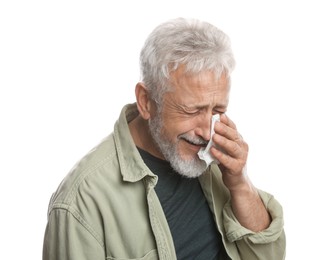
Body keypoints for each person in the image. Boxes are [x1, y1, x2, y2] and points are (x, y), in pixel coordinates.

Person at [42, 17, 286, 260]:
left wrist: (239, 182)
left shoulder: (215, 160)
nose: (207, 131)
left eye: (217, 110)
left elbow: (270, 255)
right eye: (192, 110)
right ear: (146, 102)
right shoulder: (81, 201)